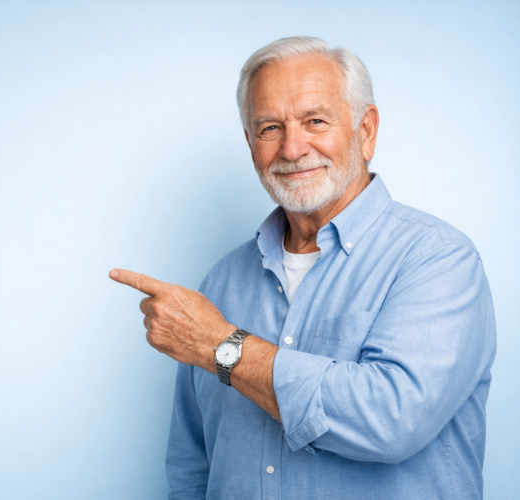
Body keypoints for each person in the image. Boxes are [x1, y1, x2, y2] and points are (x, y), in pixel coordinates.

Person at [109, 36, 496, 500]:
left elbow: (391, 419)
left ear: (366, 130)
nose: (292, 148)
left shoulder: (438, 259)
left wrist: (220, 345)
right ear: (251, 144)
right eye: (270, 127)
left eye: (315, 120)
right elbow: (193, 466)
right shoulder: (221, 283)